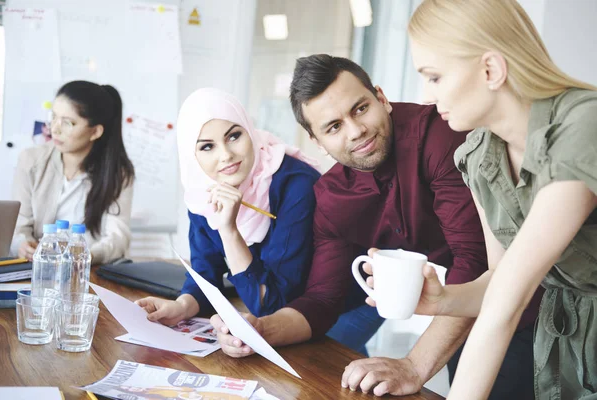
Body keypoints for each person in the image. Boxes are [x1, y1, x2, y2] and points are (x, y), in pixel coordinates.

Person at [211, 54, 541, 397]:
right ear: (317, 141)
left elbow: (473, 263)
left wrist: (414, 365)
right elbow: (323, 299)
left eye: (360, 109)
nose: (356, 131)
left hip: (538, 304)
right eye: (334, 127)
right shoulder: (331, 196)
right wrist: (260, 329)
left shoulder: (443, 137)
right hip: (470, 312)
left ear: (381, 98)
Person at [403, 0, 597, 399]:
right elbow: (499, 279)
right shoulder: (477, 155)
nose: (425, 96)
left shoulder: (583, 126)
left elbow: (507, 304)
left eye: (434, 77)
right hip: (566, 346)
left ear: (491, 69)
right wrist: (446, 299)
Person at [136, 88, 320, 325]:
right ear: (192, 157)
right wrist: (182, 306)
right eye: (206, 147)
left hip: (336, 307)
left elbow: (271, 303)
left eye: (234, 136)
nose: (226, 155)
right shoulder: (203, 189)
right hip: (282, 313)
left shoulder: (296, 185)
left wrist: (229, 230)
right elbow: (206, 273)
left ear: (249, 131)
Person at [11, 80, 135, 265]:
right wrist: (22, 244)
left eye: (68, 123)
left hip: (89, 272)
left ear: (95, 132)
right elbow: (18, 228)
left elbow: (117, 239)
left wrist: (83, 257)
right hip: (40, 270)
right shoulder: (31, 161)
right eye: (53, 117)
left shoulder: (118, 173)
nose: (55, 128)